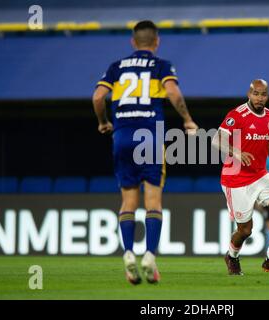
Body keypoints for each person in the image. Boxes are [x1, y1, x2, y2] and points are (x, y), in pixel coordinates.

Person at [92, 20, 198, 284]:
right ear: (157, 41)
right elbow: (173, 92)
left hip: (122, 136)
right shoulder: (161, 66)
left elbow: (97, 97)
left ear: (132, 42)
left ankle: (128, 252)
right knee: (153, 203)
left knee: (128, 203)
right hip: (149, 136)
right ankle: (150, 255)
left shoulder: (116, 67)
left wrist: (103, 122)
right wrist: (186, 119)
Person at [212, 79, 269, 276]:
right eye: (256, 94)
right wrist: (237, 153)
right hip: (236, 180)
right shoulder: (237, 115)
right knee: (245, 230)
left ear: (268, 96)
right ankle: (232, 256)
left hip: (260, 175)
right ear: (249, 94)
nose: (259, 98)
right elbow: (217, 141)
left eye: (263, 94)